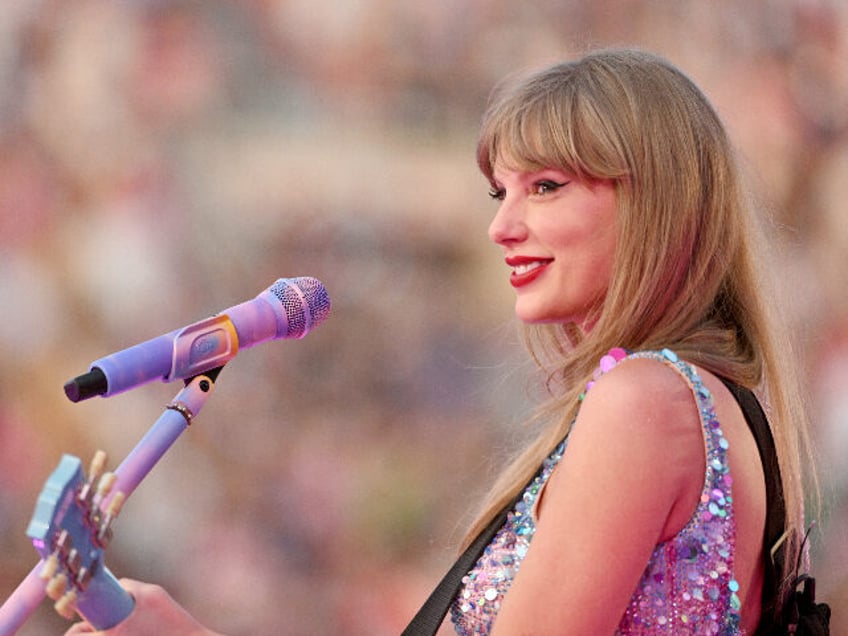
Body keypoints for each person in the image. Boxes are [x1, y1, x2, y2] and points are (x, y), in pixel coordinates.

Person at [66, 47, 817, 635]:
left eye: (546, 187)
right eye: (502, 192)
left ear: (656, 199)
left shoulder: (643, 404)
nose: (502, 226)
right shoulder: (709, 401)